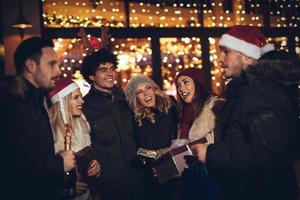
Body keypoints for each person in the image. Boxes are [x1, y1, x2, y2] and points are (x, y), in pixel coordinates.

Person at [192, 25, 299, 200]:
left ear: (248, 56)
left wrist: (211, 154)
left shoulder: (260, 93)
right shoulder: (247, 90)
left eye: (226, 52)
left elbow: (268, 155)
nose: (220, 58)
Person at [0, 37, 76, 199]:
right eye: (51, 64)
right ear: (30, 66)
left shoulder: (37, 99)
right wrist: (59, 164)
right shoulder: (14, 104)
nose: (58, 71)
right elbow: (12, 165)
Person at [80, 49, 143, 200]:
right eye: (103, 70)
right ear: (91, 76)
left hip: (138, 178)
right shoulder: (85, 107)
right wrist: (89, 162)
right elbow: (80, 143)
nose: (110, 74)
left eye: (112, 69)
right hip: (110, 185)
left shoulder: (127, 98)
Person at [124, 74, 179, 200]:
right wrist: (155, 155)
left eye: (148, 88)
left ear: (154, 89)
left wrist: (167, 154)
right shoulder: (135, 120)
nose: (146, 94)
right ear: (134, 98)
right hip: (152, 175)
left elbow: (181, 138)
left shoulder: (170, 108)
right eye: (139, 92)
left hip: (176, 170)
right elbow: (138, 151)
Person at [175, 68, 225, 200]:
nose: (181, 88)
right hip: (189, 174)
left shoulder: (215, 107)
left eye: (186, 82)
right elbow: (182, 144)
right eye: (178, 85)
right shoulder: (183, 113)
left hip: (210, 173)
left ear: (197, 84)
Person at [48, 78, 101, 199]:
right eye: (76, 97)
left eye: (81, 96)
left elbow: (89, 154)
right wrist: (66, 188)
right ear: (62, 101)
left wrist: (96, 164)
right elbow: (39, 173)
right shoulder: (48, 130)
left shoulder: (82, 124)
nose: (82, 101)